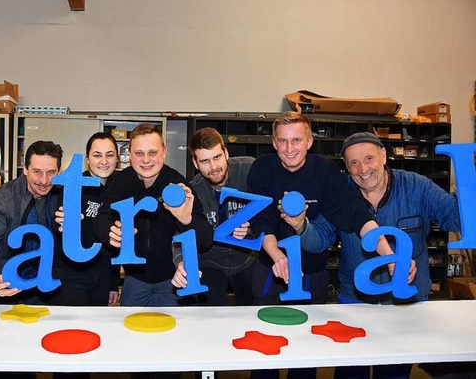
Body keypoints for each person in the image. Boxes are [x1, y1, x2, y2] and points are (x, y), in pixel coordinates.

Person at [246, 112, 410, 379]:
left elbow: (355, 214)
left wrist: (390, 257)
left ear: (310, 141)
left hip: (312, 274)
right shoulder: (262, 170)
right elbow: (261, 220)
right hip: (271, 271)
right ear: (274, 143)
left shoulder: (325, 171)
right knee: (265, 351)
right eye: (283, 141)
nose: (290, 149)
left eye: (297, 140)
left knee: (306, 354)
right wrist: (277, 257)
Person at [299, 131, 461, 379]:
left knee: (394, 374)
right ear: (346, 166)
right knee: (351, 373)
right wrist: (301, 226)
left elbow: (454, 217)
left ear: (384, 155)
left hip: (406, 304)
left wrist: (468, 196)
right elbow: (320, 238)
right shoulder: (340, 194)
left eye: (369, 158)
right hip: (355, 303)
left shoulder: (417, 186)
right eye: (354, 162)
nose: (362, 169)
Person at [94, 123, 214, 307]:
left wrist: (186, 219)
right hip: (134, 281)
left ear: (164, 151)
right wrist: (110, 231)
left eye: (152, 152)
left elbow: (205, 238)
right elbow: (102, 218)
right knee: (130, 334)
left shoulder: (179, 185)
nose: (146, 160)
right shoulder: (120, 183)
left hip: (174, 280)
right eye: (139, 153)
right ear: (129, 154)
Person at [171, 127, 256, 306]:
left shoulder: (249, 170)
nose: (214, 167)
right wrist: (181, 263)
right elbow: (180, 234)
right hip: (210, 262)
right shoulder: (193, 190)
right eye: (205, 161)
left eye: (217, 157)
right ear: (195, 163)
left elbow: (269, 213)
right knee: (209, 317)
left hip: (247, 259)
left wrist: (252, 227)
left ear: (226, 152)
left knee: (254, 313)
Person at [0, 140, 63, 306]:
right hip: (8, 290)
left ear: (59, 171)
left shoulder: (64, 196)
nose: (44, 181)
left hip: (49, 290)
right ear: (25, 169)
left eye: (51, 172)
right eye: (37, 172)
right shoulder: (1, 199)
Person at [52, 132, 121, 306]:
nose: (104, 161)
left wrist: (113, 283)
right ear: (88, 159)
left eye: (110, 155)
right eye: (97, 155)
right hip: (71, 275)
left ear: (117, 159)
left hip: (103, 274)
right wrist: (60, 223)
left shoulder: (121, 188)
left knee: (98, 327)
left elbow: (116, 243)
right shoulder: (72, 185)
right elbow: (56, 225)